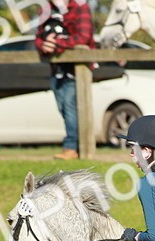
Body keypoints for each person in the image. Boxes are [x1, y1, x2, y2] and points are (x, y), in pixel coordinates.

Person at [35, 0, 95, 161]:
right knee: (63, 107)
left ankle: (72, 147)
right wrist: (43, 45)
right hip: (56, 68)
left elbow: (83, 38)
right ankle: (77, 146)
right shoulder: (46, 9)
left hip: (77, 70)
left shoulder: (80, 7)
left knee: (70, 106)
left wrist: (56, 43)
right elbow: (39, 37)